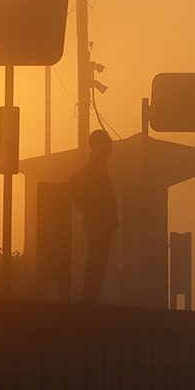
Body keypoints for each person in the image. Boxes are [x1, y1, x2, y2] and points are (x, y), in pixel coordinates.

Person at [70, 130, 119, 303]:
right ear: (98, 145)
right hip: (99, 223)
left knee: (97, 260)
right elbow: (97, 198)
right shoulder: (94, 168)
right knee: (97, 261)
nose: (110, 144)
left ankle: (90, 296)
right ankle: (89, 297)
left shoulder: (95, 166)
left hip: (97, 223)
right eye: (106, 141)